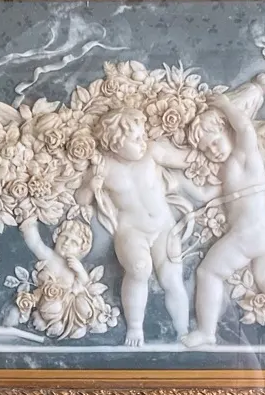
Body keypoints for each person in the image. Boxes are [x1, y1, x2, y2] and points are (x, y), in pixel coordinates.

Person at [180, 92, 265, 348]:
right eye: (206, 149)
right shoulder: (232, 167)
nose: (213, 151)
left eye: (215, 142)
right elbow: (208, 195)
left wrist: (226, 106)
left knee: (208, 272)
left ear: (227, 129)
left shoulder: (244, 154)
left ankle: (206, 331)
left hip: (252, 232)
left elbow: (246, 128)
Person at [81, 108, 190, 346]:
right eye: (136, 139)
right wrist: (90, 186)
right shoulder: (103, 168)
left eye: (143, 136)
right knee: (139, 270)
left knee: (172, 278)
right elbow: (81, 199)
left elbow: (185, 159)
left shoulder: (152, 152)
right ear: (116, 144)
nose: (143, 142)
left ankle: (184, 331)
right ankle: (135, 327)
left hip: (163, 226)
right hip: (132, 231)